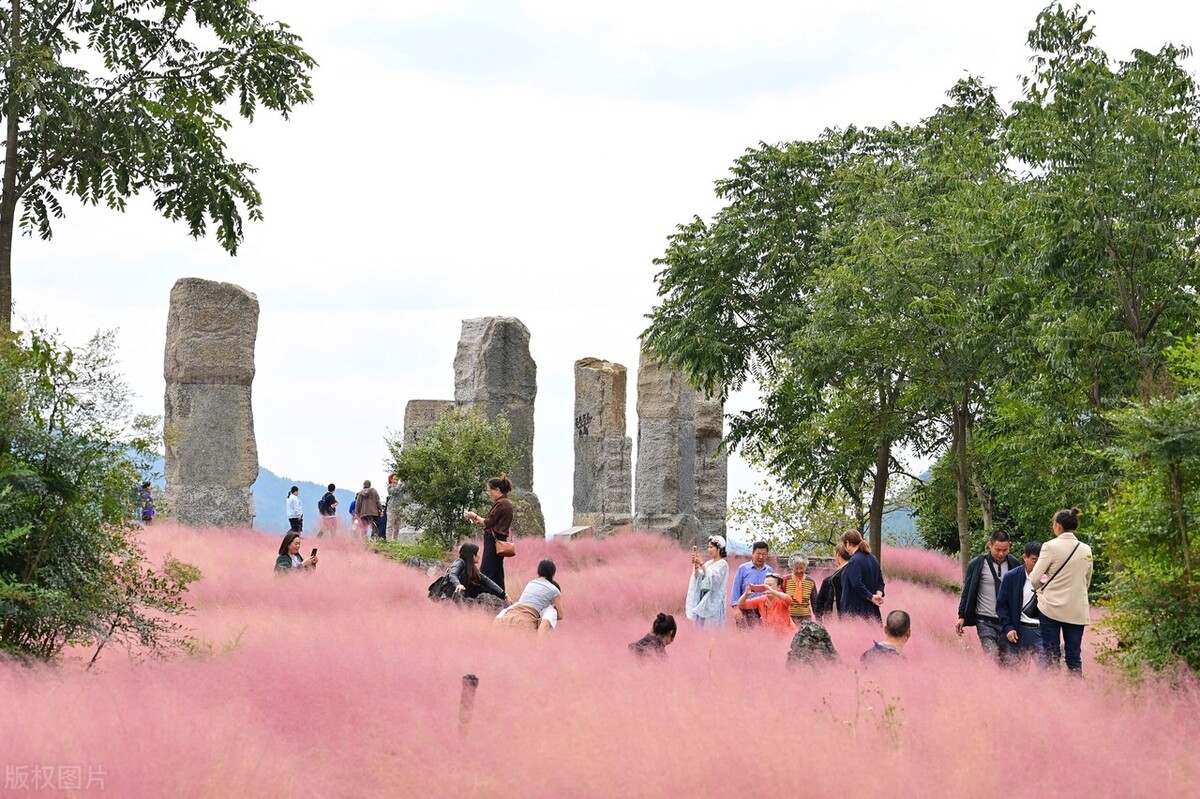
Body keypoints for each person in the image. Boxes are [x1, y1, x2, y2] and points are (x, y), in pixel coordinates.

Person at [1029, 507, 1093, 673]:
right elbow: (1087, 581)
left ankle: (1053, 693)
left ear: (1057, 526)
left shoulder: (1050, 547)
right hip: (1076, 610)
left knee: (1051, 656)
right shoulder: (1086, 549)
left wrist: (1042, 587)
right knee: (1074, 657)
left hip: (1051, 608)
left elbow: (1035, 578)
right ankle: (1075, 692)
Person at [956, 531, 1021, 662]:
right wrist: (961, 616)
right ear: (989, 545)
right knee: (991, 657)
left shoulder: (1015, 564)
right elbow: (967, 591)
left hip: (1007, 622)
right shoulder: (976, 564)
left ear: (1010, 546)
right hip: (985, 621)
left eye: (1005, 550)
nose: (1001, 554)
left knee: (1009, 661)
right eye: (998, 550)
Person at [465, 474, 514, 594]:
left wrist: (474, 515)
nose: (488, 493)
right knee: (497, 572)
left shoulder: (502, 503)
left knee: (486, 571)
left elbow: (489, 522)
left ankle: (476, 596)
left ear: (497, 489)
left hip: (493, 541)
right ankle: (501, 596)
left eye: (489, 490)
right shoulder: (506, 503)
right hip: (499, 539)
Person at [997, 541, 1043, 663]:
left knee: (1045, 671)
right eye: (1034, 560)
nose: (1038, 564)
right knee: (1017, 671)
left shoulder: (1049, 578)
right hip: (1019, 630)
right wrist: (1008, 628)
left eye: (1041, 560)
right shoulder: (1011, 577)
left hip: (1042, 630)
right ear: (1025, 557)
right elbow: (1002, 605)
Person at [496, 559, 563, 635]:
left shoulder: (530, 583)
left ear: (538, 571)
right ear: (553, 574)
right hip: (525, 620)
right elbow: (560, 615)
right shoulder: (554, 590)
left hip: (509, 616)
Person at [839, 530, 885, 622]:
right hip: (872, 612)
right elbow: (880, 582)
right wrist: (878, 595)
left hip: (856, 613)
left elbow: (856, 584)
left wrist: (871, 597)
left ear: (847, 543)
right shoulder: (873, 558)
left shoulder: (854, 561)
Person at [685, 536, 729, 627]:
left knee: (712, 631)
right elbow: (698, 579)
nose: (709, 550)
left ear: (719, 549)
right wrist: (696, 566)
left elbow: (715, 580)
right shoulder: (708, 563)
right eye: (708, 547)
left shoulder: (723, 564)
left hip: (714, 602)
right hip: (703, 602)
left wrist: (701, 564)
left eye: (711, 547)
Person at [730, 541, 771, 627]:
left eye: (764, 554)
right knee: (744, 637)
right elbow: (736, 589)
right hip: (745, 609)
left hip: (763, 610)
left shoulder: (769, 570)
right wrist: (736, 608)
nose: (760, 557)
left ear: (767, 555)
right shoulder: (743, 568)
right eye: (758, 553)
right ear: (752, 553)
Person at [814, 545, 849, 619]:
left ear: (838, 555)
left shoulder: (830, 580)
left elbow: (819, 603)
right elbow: (819, 603)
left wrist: (819, 621)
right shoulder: (828, 581)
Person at [783, 554, 817, 624]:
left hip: (806, 618)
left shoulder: (810, 582)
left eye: (801, 568)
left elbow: (815, 603)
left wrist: (818, 619)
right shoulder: (785, 580)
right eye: (796, 568)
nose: (799, 571)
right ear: (792, 568)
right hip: (789, 618)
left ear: (805, 567)